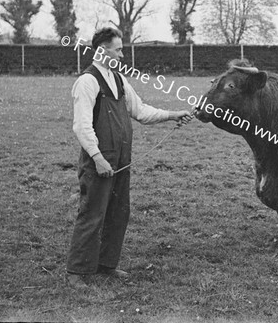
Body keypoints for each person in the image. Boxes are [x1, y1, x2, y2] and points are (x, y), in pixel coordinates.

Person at [66, 27, 192, 289]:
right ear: (103, 50)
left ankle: (105, 265)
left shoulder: (119, 79)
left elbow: (141, 111)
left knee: (118, 211)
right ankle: (77, 271)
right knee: (92, 213)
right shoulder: (87, 82)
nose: (123, 55)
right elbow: (81, 126)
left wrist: (173, 114)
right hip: (98, 160)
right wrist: (98, 158)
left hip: (122, 159)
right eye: (119, 49)